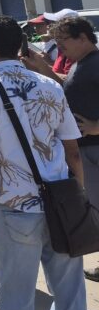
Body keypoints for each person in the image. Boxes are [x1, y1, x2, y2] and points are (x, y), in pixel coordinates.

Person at [0, 16, 86, 310]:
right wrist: (80, 198)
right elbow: (72, 151)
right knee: (70, 294)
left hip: (15, 207)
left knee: (16, 300)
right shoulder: (48, 86)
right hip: (62, 204)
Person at [44, 16, 99, 282]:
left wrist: (96, 127)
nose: (59, 46)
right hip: (86, 151)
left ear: (83, 38)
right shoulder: (81, 64)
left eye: (63, 40)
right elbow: (69, 85)